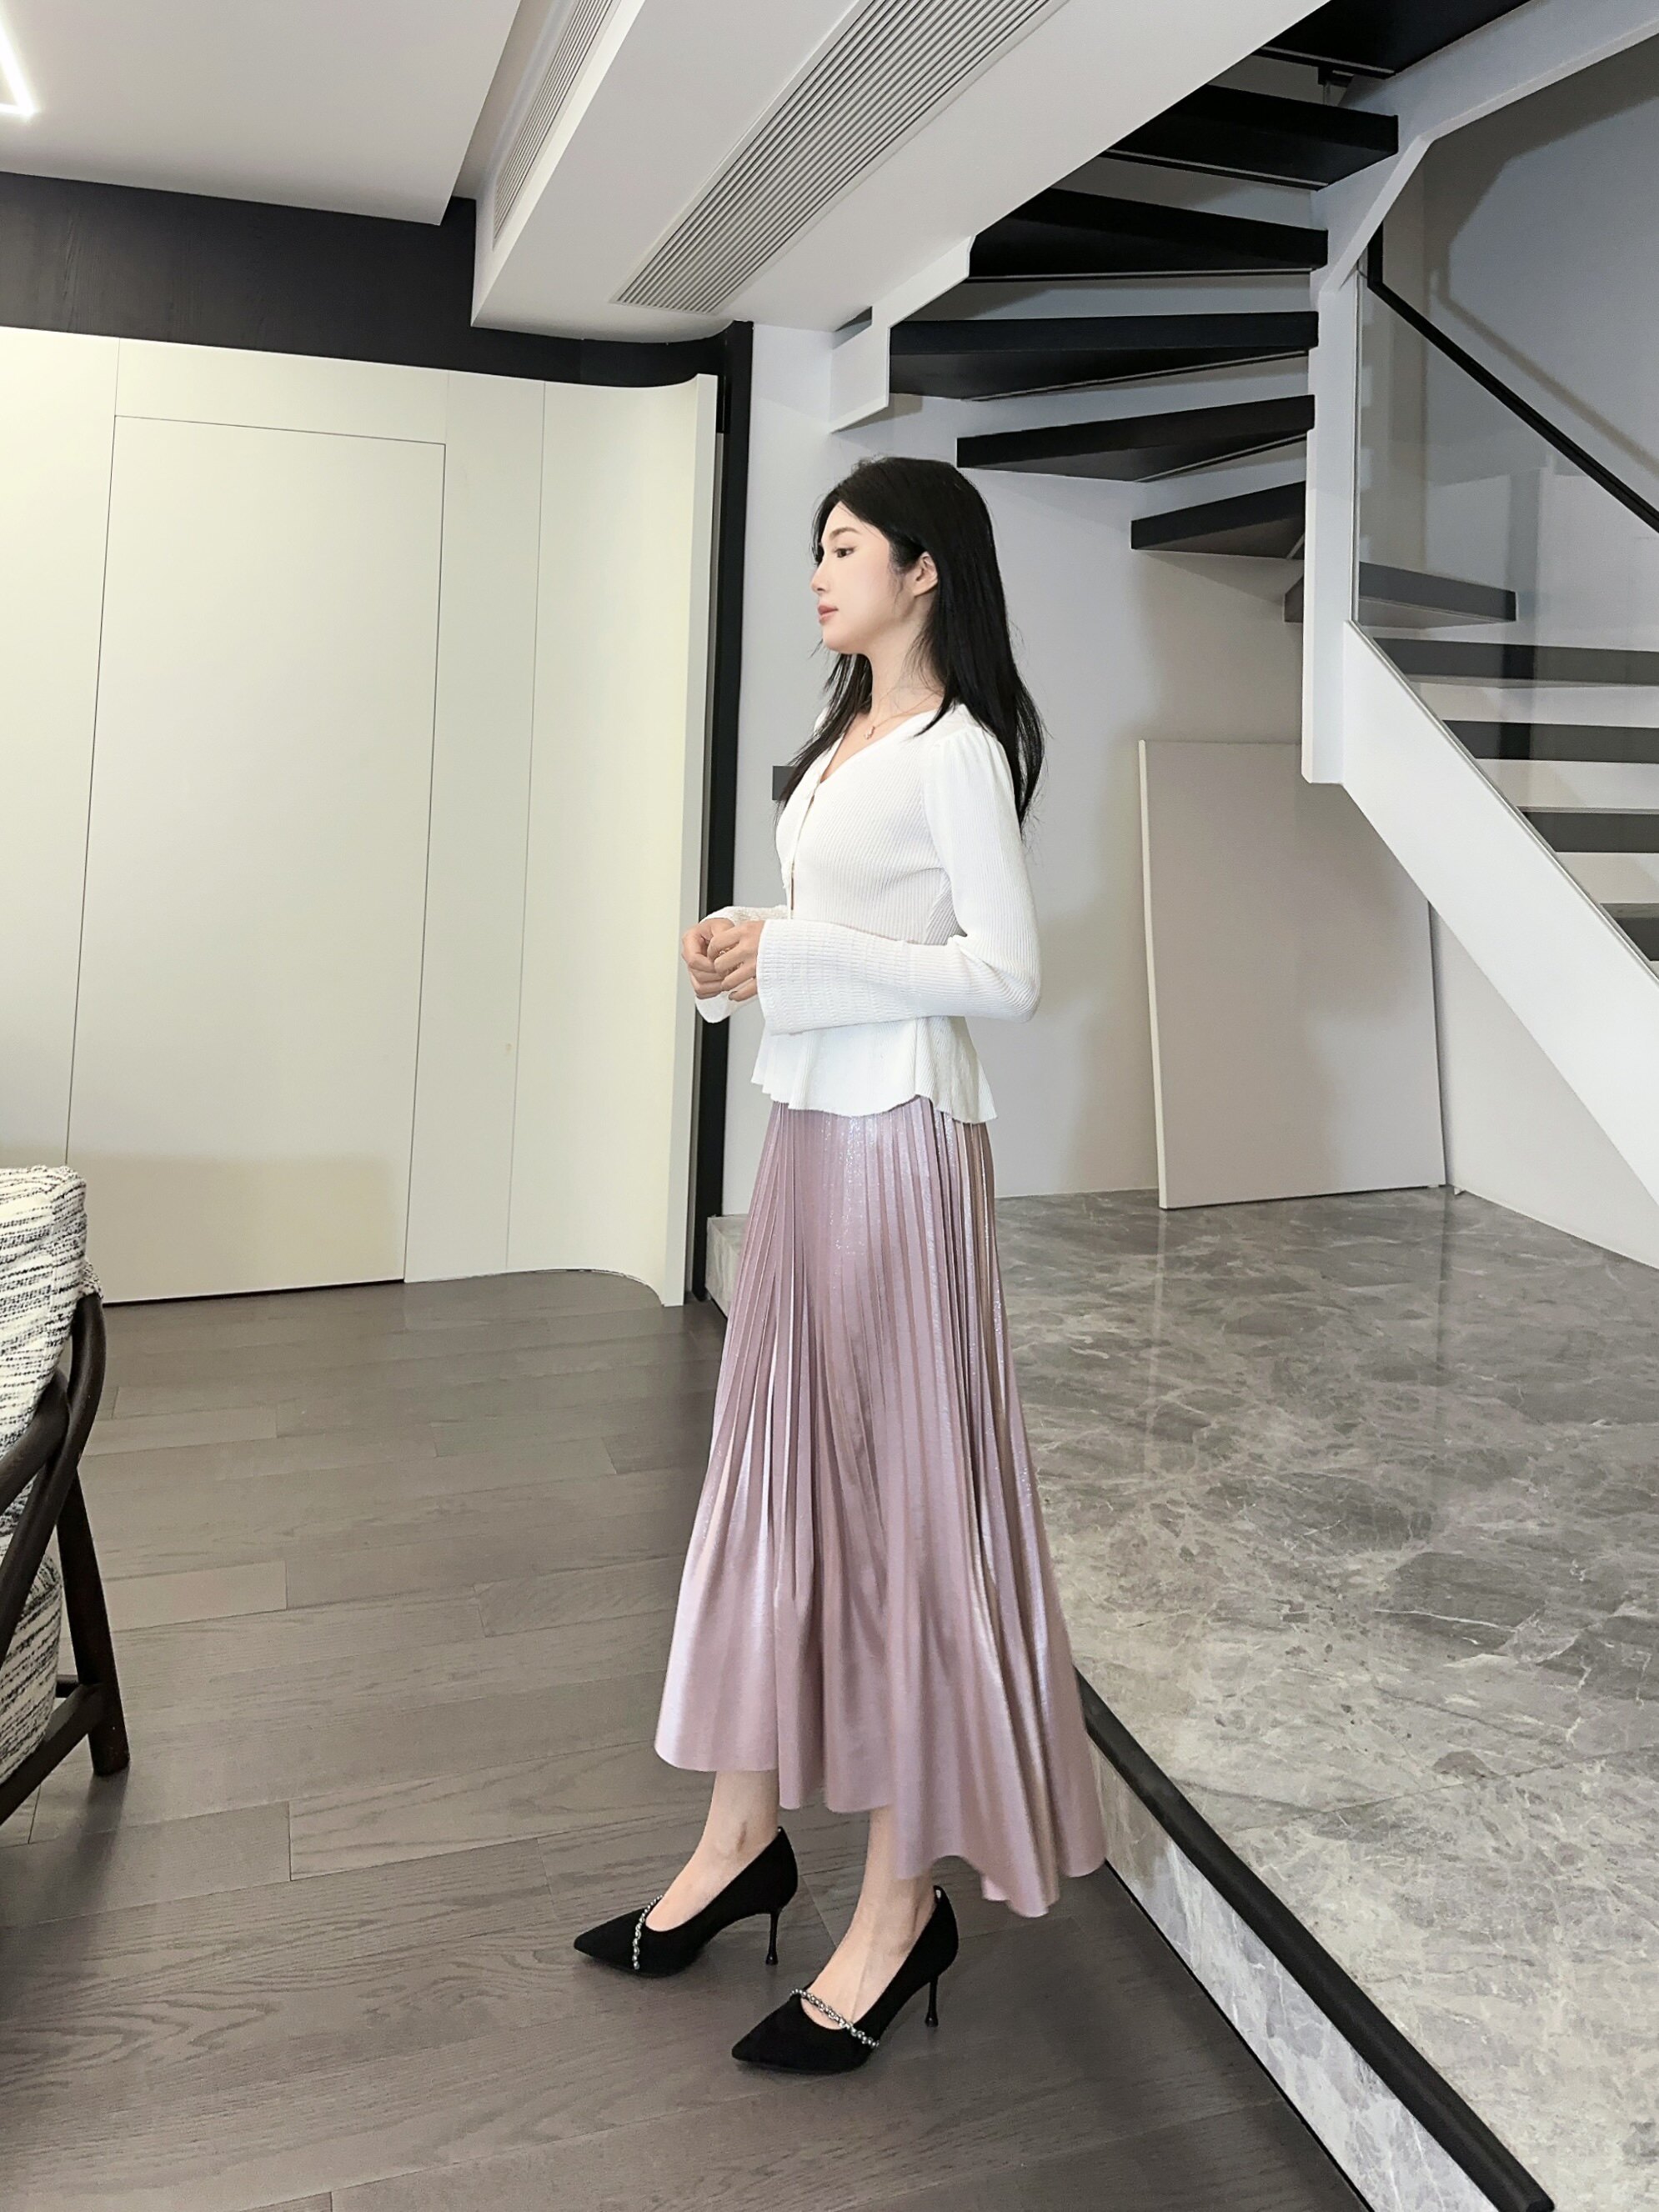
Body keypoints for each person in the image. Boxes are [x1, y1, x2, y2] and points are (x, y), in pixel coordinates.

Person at [573, 454, 1108, 2074]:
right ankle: (740, 1839)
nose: (818, 570)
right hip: (809, 1134)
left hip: (903, 1147)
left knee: (905, 1509)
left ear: (922, 569)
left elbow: (1004, 974)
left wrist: (796, 951)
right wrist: (740, 951)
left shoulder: (958, 750)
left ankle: (899, 1901)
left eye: (843, 545)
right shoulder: (839, 747)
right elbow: (846, 939)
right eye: (818, 546)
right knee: (774, 1474)